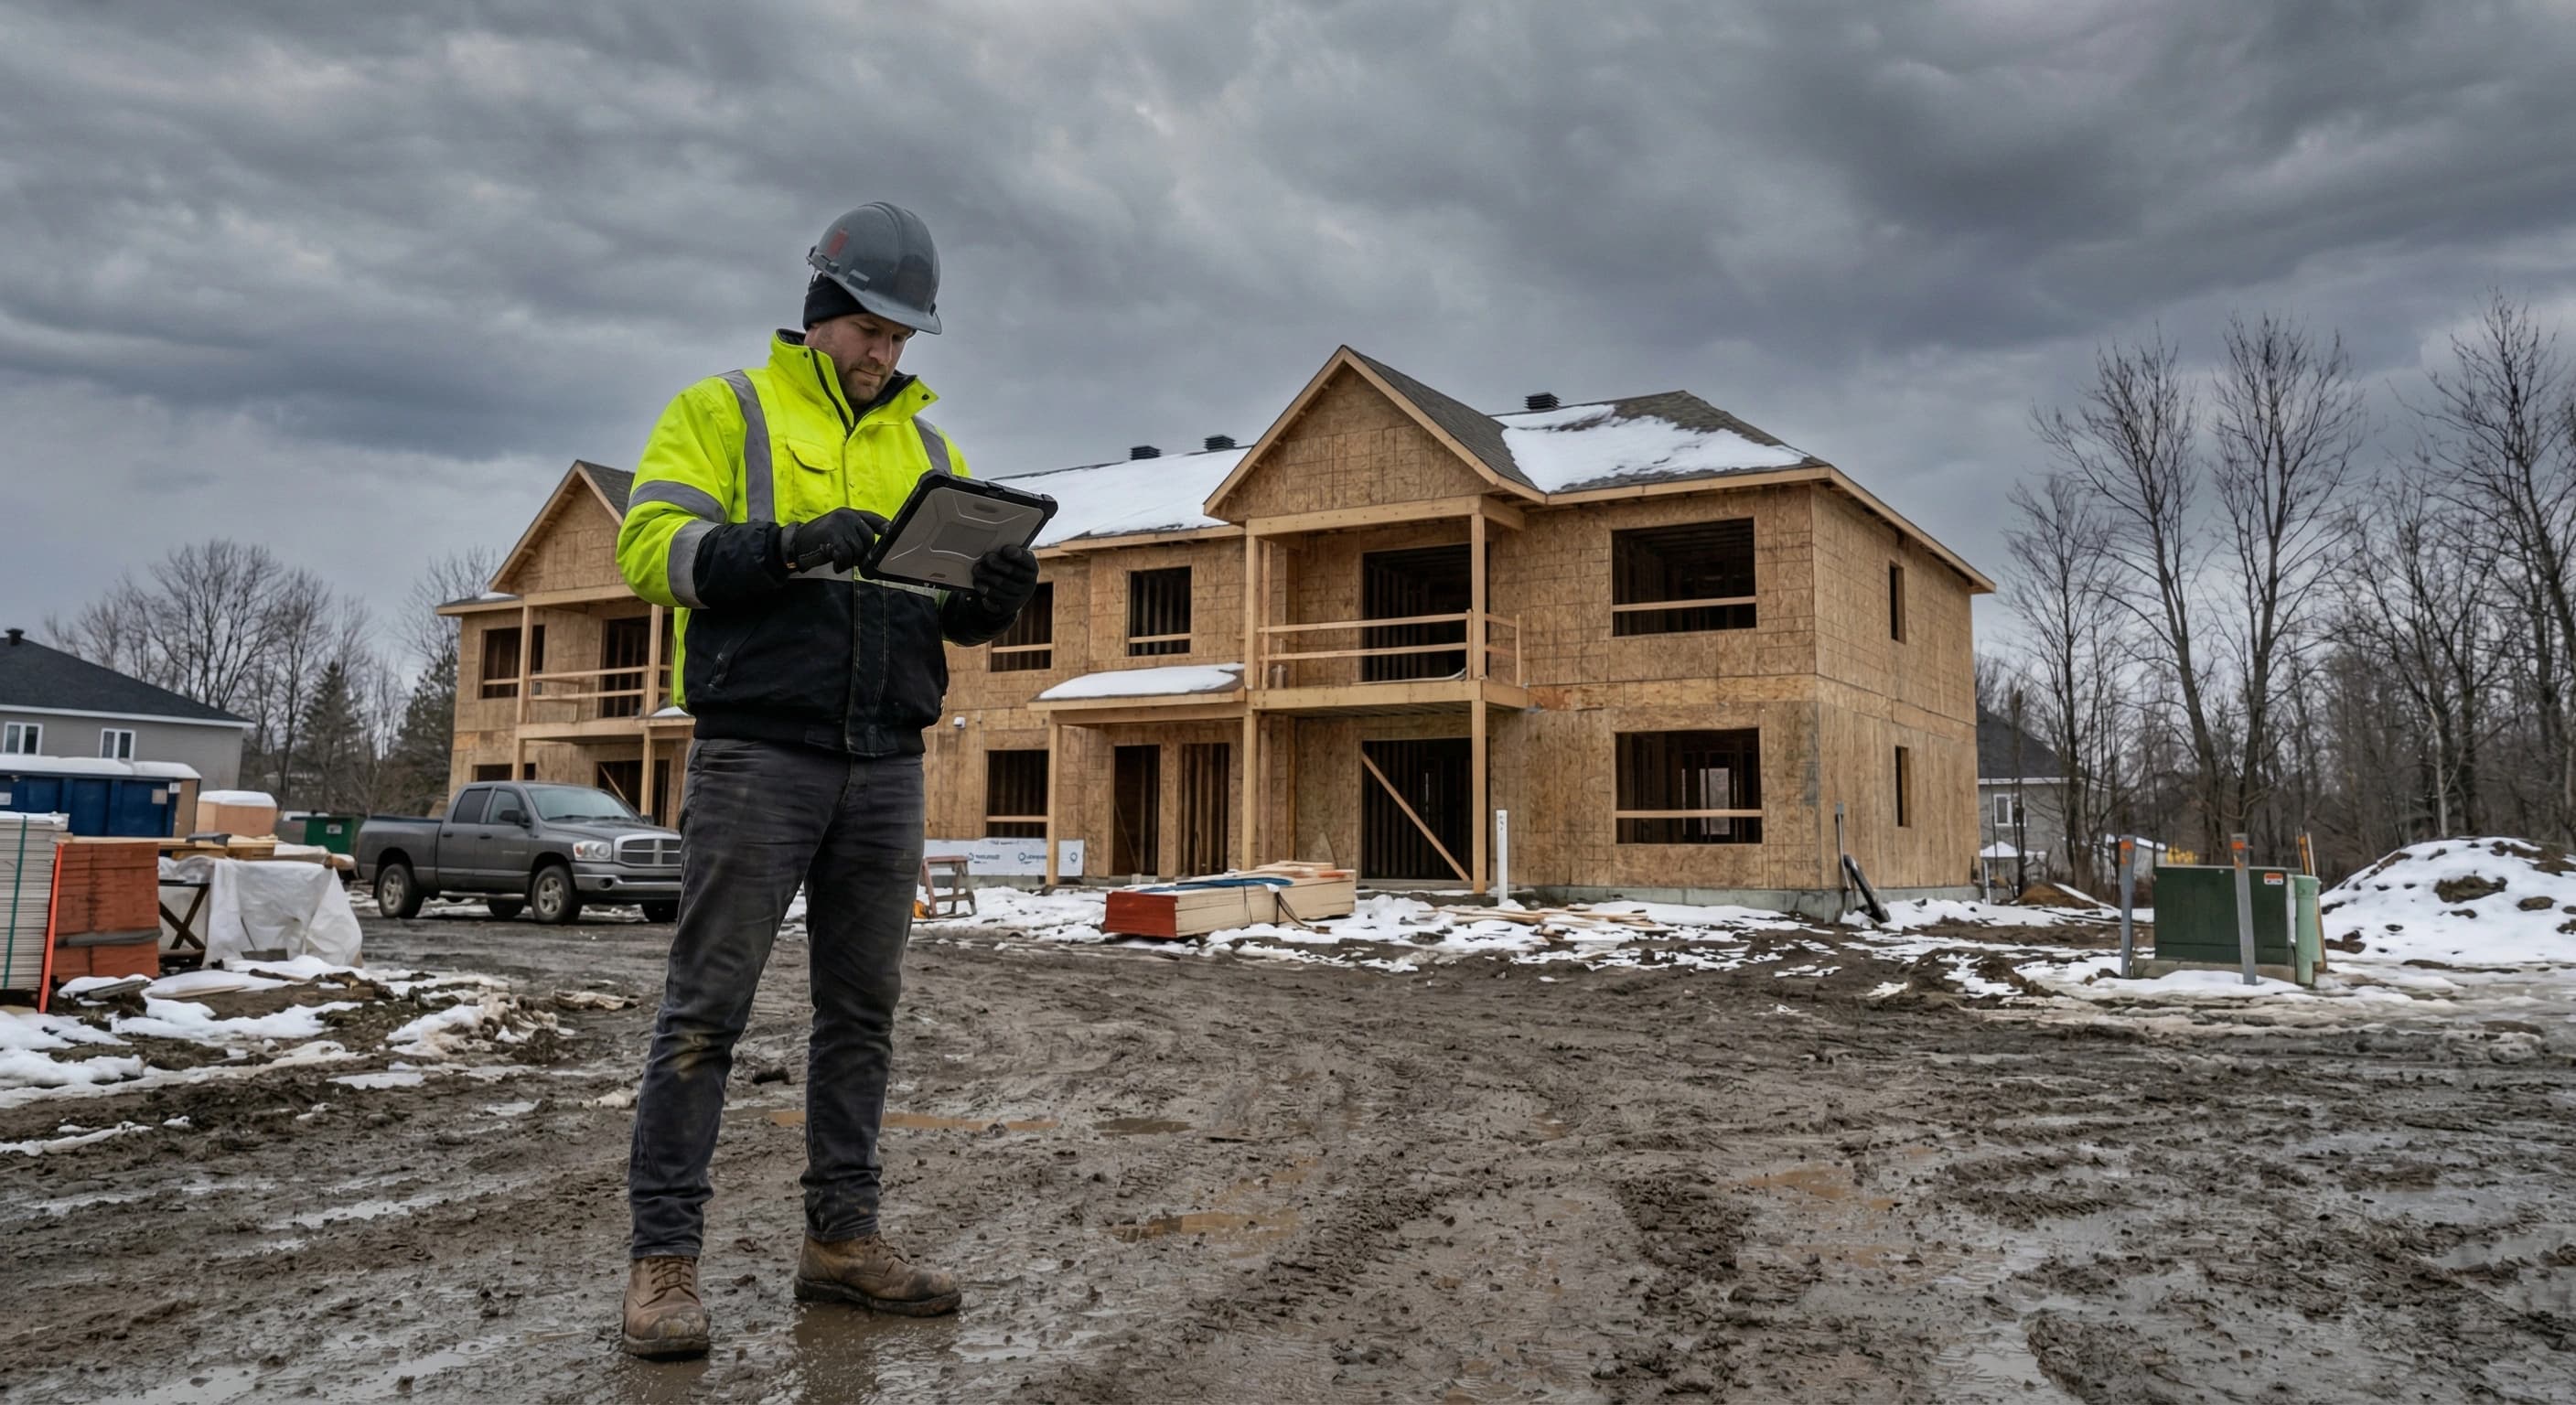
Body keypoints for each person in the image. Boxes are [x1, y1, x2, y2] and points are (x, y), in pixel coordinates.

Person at [610, 202, 1038, 1359]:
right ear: (821, 313)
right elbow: (652, 551)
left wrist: (988, 603)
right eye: (873, 329)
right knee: (706, 1011)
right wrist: (787, 545)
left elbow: (936, 608)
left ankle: (840, 1242)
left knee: (863, 1015)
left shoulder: (930, 453)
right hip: (760, 752)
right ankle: (664, 1265)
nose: (887, 352)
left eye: (904, 337)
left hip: (884, 760)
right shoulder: (722, 410)